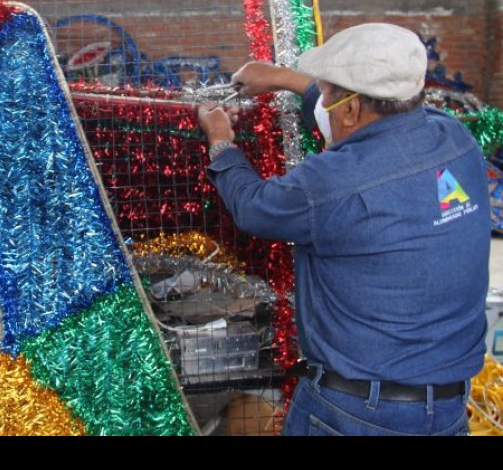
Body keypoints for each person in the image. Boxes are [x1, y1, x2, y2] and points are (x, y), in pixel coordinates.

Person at [197, 23, 490, 436]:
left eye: (328, 96)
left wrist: (221, 141)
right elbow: (370, 122)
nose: (325, 106)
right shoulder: (453, 137)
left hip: (357, 413)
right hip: (447, 410)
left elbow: (254, 206)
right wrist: (281, 78)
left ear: (351, 109)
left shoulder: (332, 180)